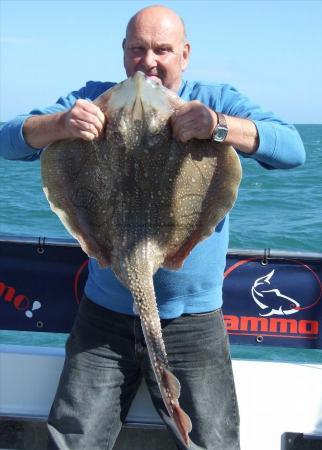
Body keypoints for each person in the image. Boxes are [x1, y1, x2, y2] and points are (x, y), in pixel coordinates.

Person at [0, 5, 305, 450]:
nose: (149, 62)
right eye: (137, 50)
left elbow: (293, 150)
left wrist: (217, 127)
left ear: (184, 54)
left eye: (162, 50)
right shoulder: (95, 96)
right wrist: (63, 124)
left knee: (212, 444)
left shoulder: (214, 99)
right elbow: (9, 140)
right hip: (104, 317)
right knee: (73, 441)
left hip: (194, 321)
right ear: (123, 53)